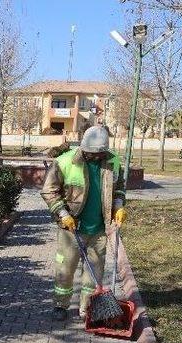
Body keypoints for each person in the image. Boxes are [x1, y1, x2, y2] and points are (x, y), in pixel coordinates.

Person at [40, 125, 127, 321]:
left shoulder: (112, 161)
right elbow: (49, 191)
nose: (95, 157)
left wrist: (119, 205)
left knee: (94, 271)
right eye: (91, 153)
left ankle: (86, 308)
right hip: (72, 227)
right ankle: (60, 305)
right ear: (83, 148)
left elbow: (119, 188)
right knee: (66, 268)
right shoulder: (65, 162)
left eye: (99, 154)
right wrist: (63, 213)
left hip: (98, 229)